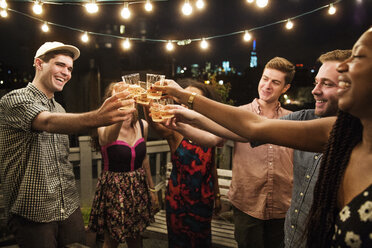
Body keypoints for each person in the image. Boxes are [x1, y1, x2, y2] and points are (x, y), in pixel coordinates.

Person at [156, 27, 372, 247]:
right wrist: (186, 113)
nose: (315, 90)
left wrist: (187, 100)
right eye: (317, 81)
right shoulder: (314, 122)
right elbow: (249, 127)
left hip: (282, 214)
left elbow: (252, 127)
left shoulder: (326, 129)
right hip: (274, 223)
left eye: (327, 83)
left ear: (285, 87)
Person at [0, 42, 135, 248]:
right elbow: (46, 122)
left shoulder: (60, 109)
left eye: (70, 68)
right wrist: (98, 117)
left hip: (68, 206)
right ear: (39, 64)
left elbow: (62, 160)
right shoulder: (14, 99)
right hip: (33, 210)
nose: (66, 72)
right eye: (60, 65)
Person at [143, 79, 222, 248]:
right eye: (182, 100)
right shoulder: (176, 129)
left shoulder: (211, 131)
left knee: (202, 242)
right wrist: (146, 102)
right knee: (179, 243)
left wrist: (217, 195)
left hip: (203, 199)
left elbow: (211, 165)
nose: (186, 104)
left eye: (190, 99)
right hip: (178, 201)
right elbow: (156, 126)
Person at [88, 82, 157, 248]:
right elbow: (106, 140)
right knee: (111, 241)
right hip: (114, 189)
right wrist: (119, 114)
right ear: (111, 102)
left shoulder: (143, 125)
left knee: (136, 238)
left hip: (138, 188)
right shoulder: (103, 126)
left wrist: (152, 189)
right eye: (119, 96)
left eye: (128, 95)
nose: (125, 99)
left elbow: (144, 158)